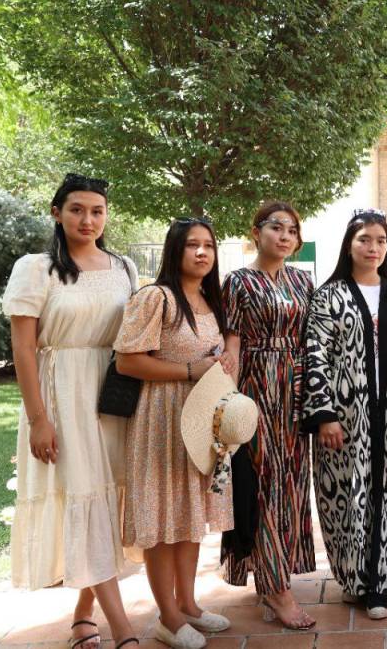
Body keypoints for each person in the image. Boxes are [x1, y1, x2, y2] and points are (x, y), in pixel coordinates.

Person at [3, 173, 140, 649]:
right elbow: (23, 349)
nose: (88, 219)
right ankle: (123, 630)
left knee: (108, 502)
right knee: (83, 495)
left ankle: (84, 613)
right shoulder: (35, 268)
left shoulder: (123, 267)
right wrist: (39, 418)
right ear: (56, 213)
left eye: (97, 211)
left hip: (113, 395)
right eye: (77, 209)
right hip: (61, 395)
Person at [115, 218, 236, 649]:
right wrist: (189, 370)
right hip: (162, 419)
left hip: (202, 420)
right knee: (162, 517)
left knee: (189, 515)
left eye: (209, 245)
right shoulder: (156, 297)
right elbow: (127, 362)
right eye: (192, 245)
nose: (202, 253)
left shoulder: (210, 299)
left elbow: (224, 349)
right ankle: (167, 617)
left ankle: (188, 604)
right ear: (174, 250)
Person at [302, 209, 387, 620]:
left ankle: (381, 585)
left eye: (381, 240)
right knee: (345, 497)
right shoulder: (327, 296)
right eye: (364, 239)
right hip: (345, 417)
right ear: (349, 244)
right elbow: (315, 355)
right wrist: (324, 414)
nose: (373, 247)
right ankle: (354, 579)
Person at [218, 202, 316, 630]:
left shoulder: (303, 280)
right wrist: (230, 401)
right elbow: (232, 345)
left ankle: (273, 573)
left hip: (296, 389)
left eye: (292, 230)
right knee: (263, 481)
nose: (285, 236)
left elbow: (313, 340)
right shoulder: (237, 281)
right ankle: (276, 589)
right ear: (256, 232)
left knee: (292, 482)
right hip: (255, 388)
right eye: (277, 227)